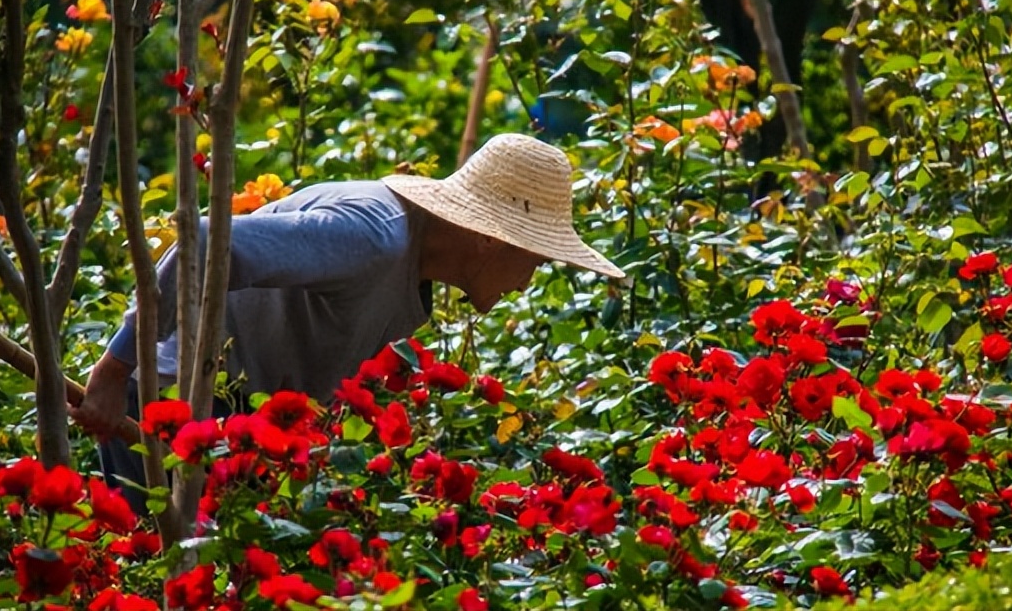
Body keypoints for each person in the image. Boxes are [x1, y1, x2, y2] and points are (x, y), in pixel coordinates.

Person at [71, 133, 623, 507]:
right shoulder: (372, 237)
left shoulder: (411, 266)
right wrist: (116, 370)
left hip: (238, 421)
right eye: (533, 256)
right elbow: (205, 247)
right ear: (488, 239)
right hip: (176, 405)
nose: (527, 280)